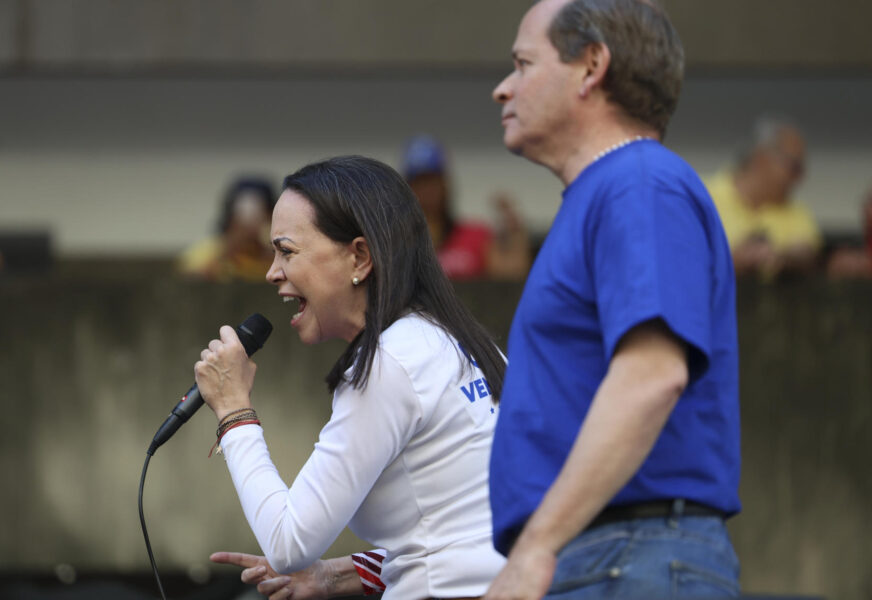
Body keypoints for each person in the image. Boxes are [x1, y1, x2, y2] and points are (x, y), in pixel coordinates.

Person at [485, 1, 740, 599]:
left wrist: (535, 549)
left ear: (592, 65)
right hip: (608, 554)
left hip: (628, 556)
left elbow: (652, 375)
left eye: (523, 64)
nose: (503, 89)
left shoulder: (638, 182)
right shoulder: (614, 190)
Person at [195, 155, 507, 599]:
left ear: (359, 256)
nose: (272, 272)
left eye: (287, 251)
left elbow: (287, 544)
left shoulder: (389, 362)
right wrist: (336, 575)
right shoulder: (464, 343)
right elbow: (461, 533)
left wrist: (232, 410)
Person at [401, 135, 532, 280]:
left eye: (433, 181)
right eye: (420, 183)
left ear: (445, 185)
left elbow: (510, 275)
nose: (427, 190)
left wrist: (515, 231)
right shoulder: (396, 243)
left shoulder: (475, 236)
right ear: (407, 188)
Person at [704, 116, 822, 277]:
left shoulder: (796, 211)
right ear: (762, 157)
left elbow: (806, 254)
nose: (800, 178)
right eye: (794, 166)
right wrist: (731, 261)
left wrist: (780, 258)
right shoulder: (703, 196)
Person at [177, 175, 276, 281]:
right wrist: (226, 252)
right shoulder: (206, 251)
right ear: (230, 215)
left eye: (258, 214)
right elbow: (188, 279)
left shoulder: (277, 247)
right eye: (241, 213)